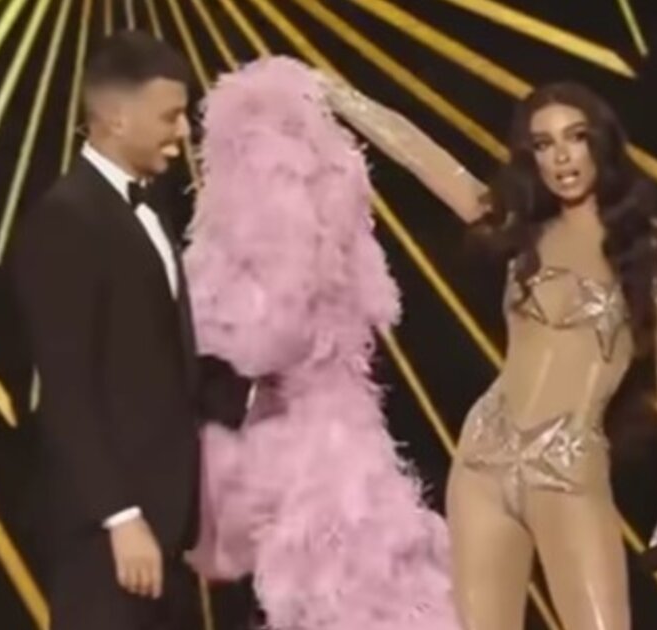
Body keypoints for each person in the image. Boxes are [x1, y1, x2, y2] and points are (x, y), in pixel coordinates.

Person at [319, 78, 657, 629]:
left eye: (575, 137)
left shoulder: (655, 245)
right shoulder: (520, 228)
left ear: (601, 143)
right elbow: (420, 154)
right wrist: (335, 93)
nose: (561, 156)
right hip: (483, 461)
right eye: (543, 144)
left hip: (568, 472)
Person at [182, 57, 458, 629]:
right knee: (344, 582)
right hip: (309, 433)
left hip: (324, 438)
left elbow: (269, 340)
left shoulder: (302, 225)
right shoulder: (300, 219)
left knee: (350, 577)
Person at [11, 31, 250, 630]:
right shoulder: (66, 219)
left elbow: (159, 363)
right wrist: (119, 516)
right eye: (170, 116)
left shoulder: (144, 208)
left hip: (165, 530)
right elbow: (66, 389)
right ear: (117, 118)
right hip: (110, 538)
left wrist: (263, 392)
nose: (184, 132)